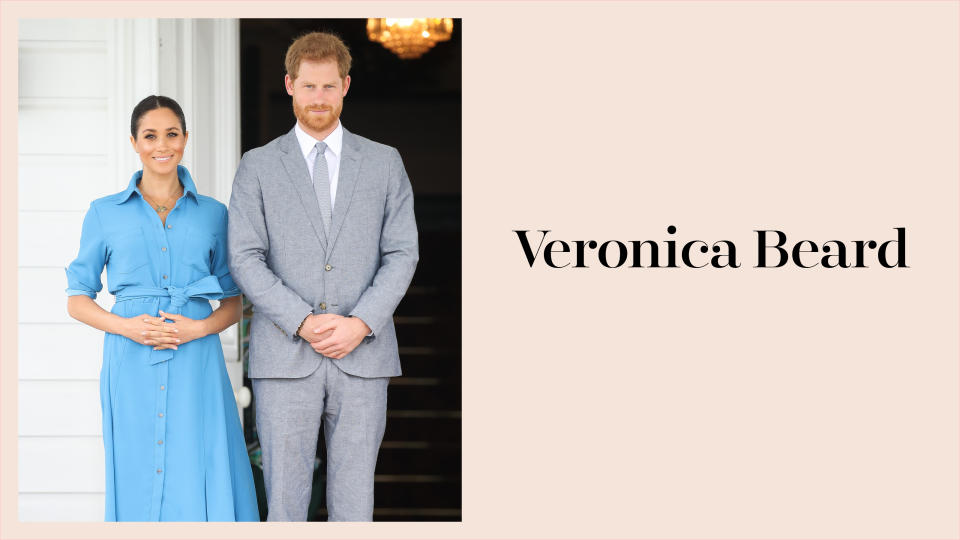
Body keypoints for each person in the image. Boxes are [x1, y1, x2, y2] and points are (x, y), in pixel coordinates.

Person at [228, 32, 419, 522]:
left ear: (346, 86)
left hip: (365, 354)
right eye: (308, 86)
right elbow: (245, 257)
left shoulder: (384, 162)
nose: (318, 98)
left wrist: (360, 323)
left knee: (355, 506)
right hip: (285, 355)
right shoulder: (258, 166)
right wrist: (302, 320)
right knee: (286, 506)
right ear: (289, 84)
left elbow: (402, 253)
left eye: (328, 86)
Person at [65, 95, 259, 522]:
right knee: (136, 463)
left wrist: (199, 329)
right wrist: (125, 327)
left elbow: (234, 301)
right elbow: (77, 300)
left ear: (185, 139)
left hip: (196, 361)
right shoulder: (103, 213)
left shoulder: (214, 214)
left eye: (172, 134)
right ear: (134, 142)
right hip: (130, 361)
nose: (162, 145)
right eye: (150, 135)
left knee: (198, 459)